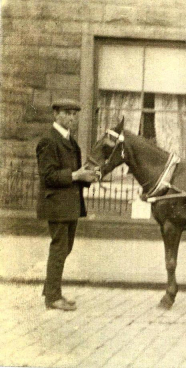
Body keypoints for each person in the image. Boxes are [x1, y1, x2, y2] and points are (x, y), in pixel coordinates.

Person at [36, 98, 98, 311]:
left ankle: (51, 290)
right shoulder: (48, 141)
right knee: (60, 248)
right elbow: (48, 176)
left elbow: (74, 175)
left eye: (74, 114)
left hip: (69, 204)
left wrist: (86, 178)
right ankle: (53, 297)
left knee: (65, 248)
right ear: (56, 115)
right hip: (57, 204)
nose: (72, 117)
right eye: (67, 113)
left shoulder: (70, 141)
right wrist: (75, 175)